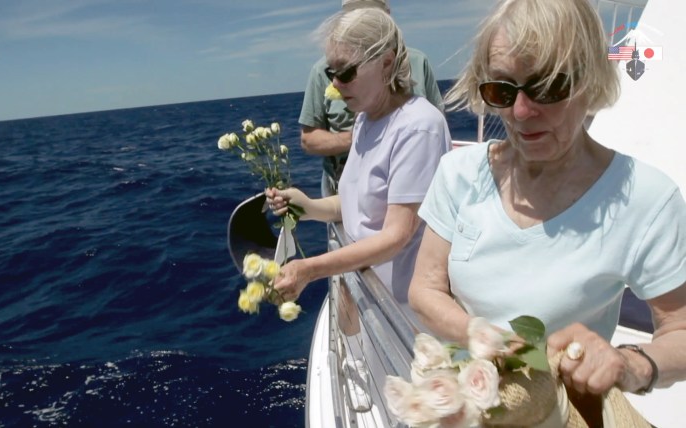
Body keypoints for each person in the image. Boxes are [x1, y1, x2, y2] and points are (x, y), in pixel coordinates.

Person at [407, 0, 686, 417]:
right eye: (501, 90)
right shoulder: (458, 173)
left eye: (549, 87)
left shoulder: (645, 197)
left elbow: (679, 330)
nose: (519, 113)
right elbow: (425, 289)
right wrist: (486, 338)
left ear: (590, 81)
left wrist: (630, 364)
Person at [268, 7, 451, 308]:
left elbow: (396, 235)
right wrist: (309, 207)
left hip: (402, 312)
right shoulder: (366, 119)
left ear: (386, 63)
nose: (335, 85)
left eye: (346, 72)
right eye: (331, 73)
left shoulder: (419, 127)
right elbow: (359, 204)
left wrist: (308, 269)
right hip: (370, 294)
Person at [298, 0, 445, 187]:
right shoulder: (322, 69)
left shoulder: (419, 62)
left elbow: (437, 126)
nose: (336, 80)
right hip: (343, 185)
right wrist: (360, 138)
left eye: (346, 72)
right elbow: (308, 139)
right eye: (353, 15)